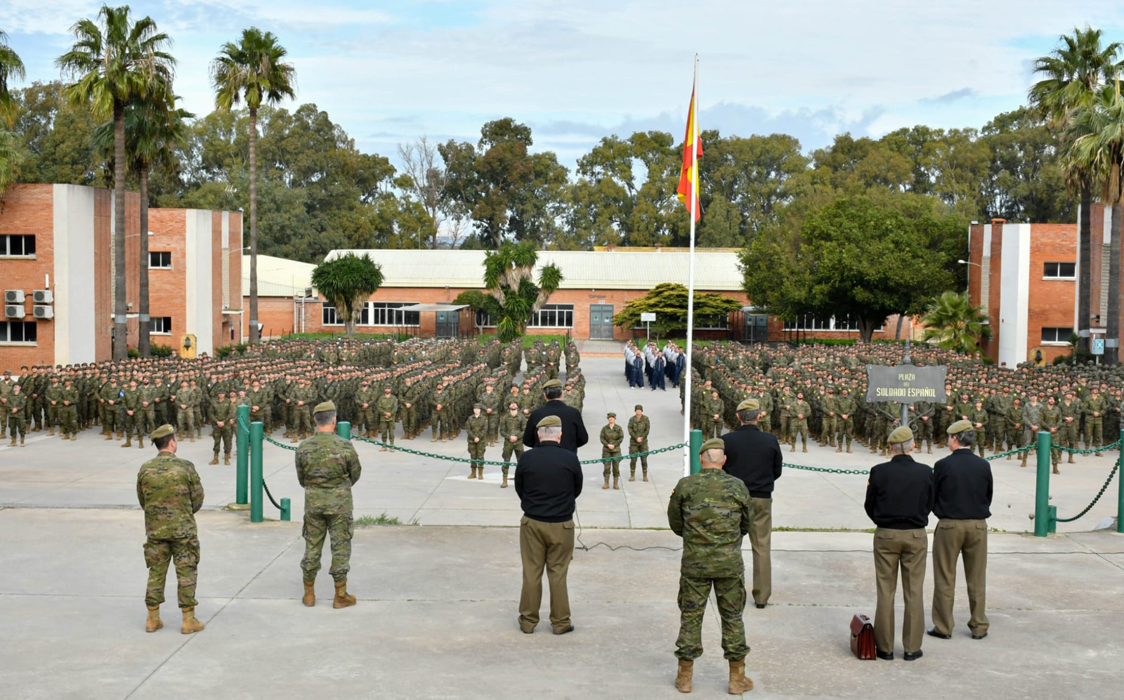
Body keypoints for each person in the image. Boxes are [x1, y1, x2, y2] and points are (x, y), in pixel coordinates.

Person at [667, 438, 754, 695]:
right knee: (733, 617)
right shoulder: (737, 487)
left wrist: (696, 539)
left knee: (691, 617)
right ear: (723, 460)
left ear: (701, 460)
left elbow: (675, 523)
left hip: (695, 564)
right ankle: (737, 678)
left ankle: (685, 677)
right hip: (729, 564)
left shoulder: (686, 486)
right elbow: (746, 525)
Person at [864, 426, 934, 661]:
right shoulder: (925, 472)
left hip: (886, 534)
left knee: (886, 591)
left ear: (891, 448)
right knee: (914, 591)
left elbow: (869, 504)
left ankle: (884, 648)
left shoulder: (878, 471)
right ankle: (912, 647)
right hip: (915, 534)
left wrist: (882, 521)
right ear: (913, 445)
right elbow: (929, 502)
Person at [514, 415, 583, 635]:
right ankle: (561, 622)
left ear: (538, 435)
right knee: (558, 574)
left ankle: (527, 621)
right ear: (560, 435)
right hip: (561, 524)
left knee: (531, 572)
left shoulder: (526, 458)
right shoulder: (570, 459)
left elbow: (519, 488)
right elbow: (577, 489)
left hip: (533, 522)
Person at [136, 424, 206, 635]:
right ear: (172, 442)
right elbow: (198, 498)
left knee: (156, 572)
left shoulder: (145, 468)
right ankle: (188, 620)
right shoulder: (185, 466)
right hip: (182, 530)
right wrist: (183, 512)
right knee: (186, 572)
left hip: (156, 530)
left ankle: (152, 619)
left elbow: (143, 500)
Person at [928, 420, 992, 642]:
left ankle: (944, 626)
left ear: (955, 439)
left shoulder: (943, 465)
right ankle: (979, 625)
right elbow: (988, 495)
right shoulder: (983, 465)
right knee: (976, 578)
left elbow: (933, 496)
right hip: (977, 525)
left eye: (949, 437)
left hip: (949, 525)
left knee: (945, 577)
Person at [296, 401, 362, 609]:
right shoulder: (344, 446)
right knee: (340, 546)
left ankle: (309, 594)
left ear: (315, 420)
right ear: (334, 421)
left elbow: (301, 477)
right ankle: (340, 595)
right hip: (339, 504)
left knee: (312, 546)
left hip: (314, 504)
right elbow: (355, 473)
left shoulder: (304, 447)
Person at [720, 398, 783, 609]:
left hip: (734, 498)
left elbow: (721, 470)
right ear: (759, 416)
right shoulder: (770, 440)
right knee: (762, 546)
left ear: (738, 417)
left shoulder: (727, 441)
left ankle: (730, 594)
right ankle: (762, 596)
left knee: (731, 546)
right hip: (761, 498)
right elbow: (777, 471)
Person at [522, 378, 589, 453]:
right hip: (567, 458)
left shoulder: (536, 414)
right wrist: (570, 446)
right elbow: (583, 439)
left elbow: (527, 440)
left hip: (541, 458)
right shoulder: (573, 413)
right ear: (562, 394)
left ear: (545, 396)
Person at [498, 400, 526, 488]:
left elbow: (524, 430)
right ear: (509, 406)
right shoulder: (505, 417)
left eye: (515, 403)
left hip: (518, 442)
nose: (513, 404)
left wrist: (517, 437)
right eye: (511, 403)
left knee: (521, 462)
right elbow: (501, 431)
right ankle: (504, 480)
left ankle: (522, 481)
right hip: (508, 443)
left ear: (518, 406)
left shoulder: (521, 417)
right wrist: (509, 437)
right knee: (506, 461)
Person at [600, 412, 624, 490]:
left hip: (616, 450)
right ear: (608, 419)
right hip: (607, 450)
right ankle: (606, 483)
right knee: (607, 467)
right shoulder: (604, 428)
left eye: (612, 418)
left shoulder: (618, 428)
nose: (611, 419)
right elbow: (602, 438)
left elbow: (621, 438)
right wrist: (607, 445)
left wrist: (614, 445)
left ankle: (615, 483)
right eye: (610, 418)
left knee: (616, 467)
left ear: (615, 419)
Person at [628, 404, 651, 482]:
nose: (638, 411)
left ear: (642, 411)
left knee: (644, 460)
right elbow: (630, 429)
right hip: (634, 442)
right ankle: (632, 475)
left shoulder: (645, 419)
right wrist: (636, 438)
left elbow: (647, 429)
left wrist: (642, 437)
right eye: (637, 410)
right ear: (635, 411)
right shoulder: (632, 419)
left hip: (643, 442)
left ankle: (645, 475)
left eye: (640, 410)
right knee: (633, 459)